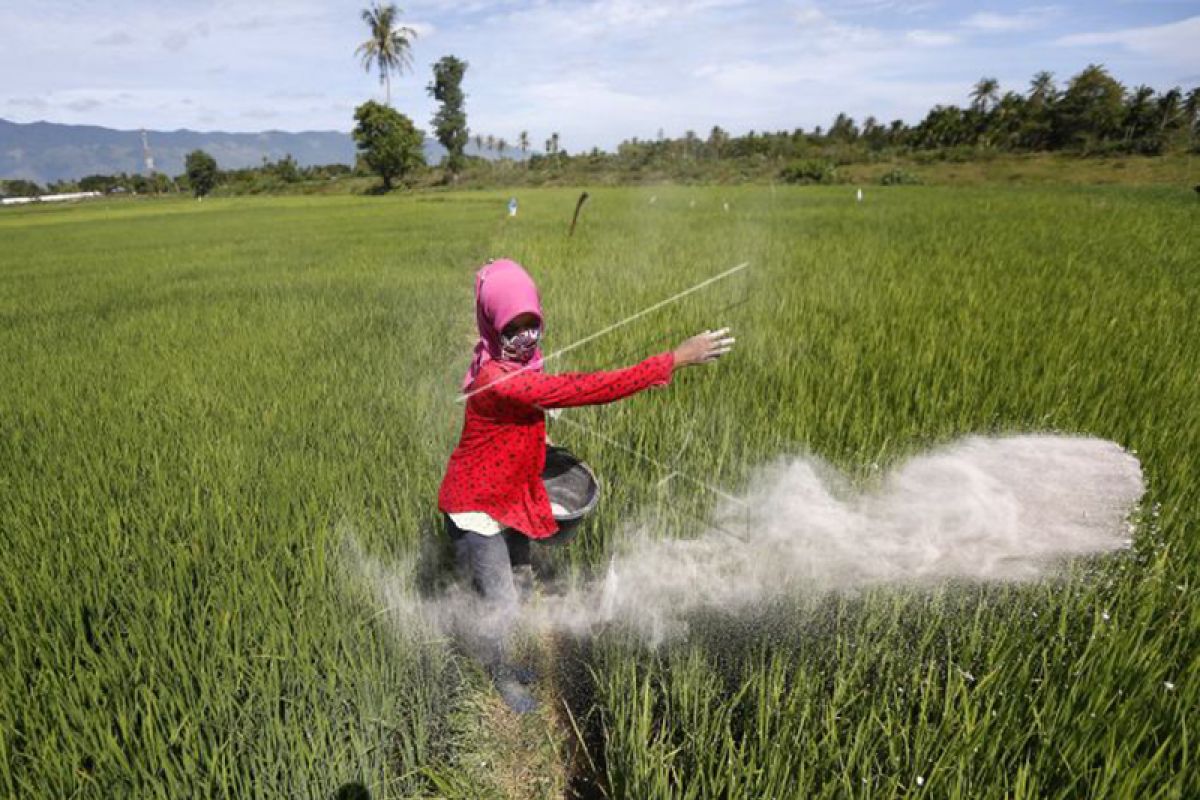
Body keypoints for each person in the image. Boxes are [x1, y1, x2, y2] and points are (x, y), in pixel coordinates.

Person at [437, 258, 735, 712]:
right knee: (501, 603)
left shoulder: (514, 364)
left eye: (531, 324)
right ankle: (500, 674)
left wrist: (537, 435)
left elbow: (517, 417)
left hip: (506, 494)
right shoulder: (497, 377)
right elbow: (584, 389)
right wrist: (673, 359)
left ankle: (505, 663)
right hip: (478, 507)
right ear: (492, 324)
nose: (526, 337)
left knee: (518, 583)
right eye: (513, 328)